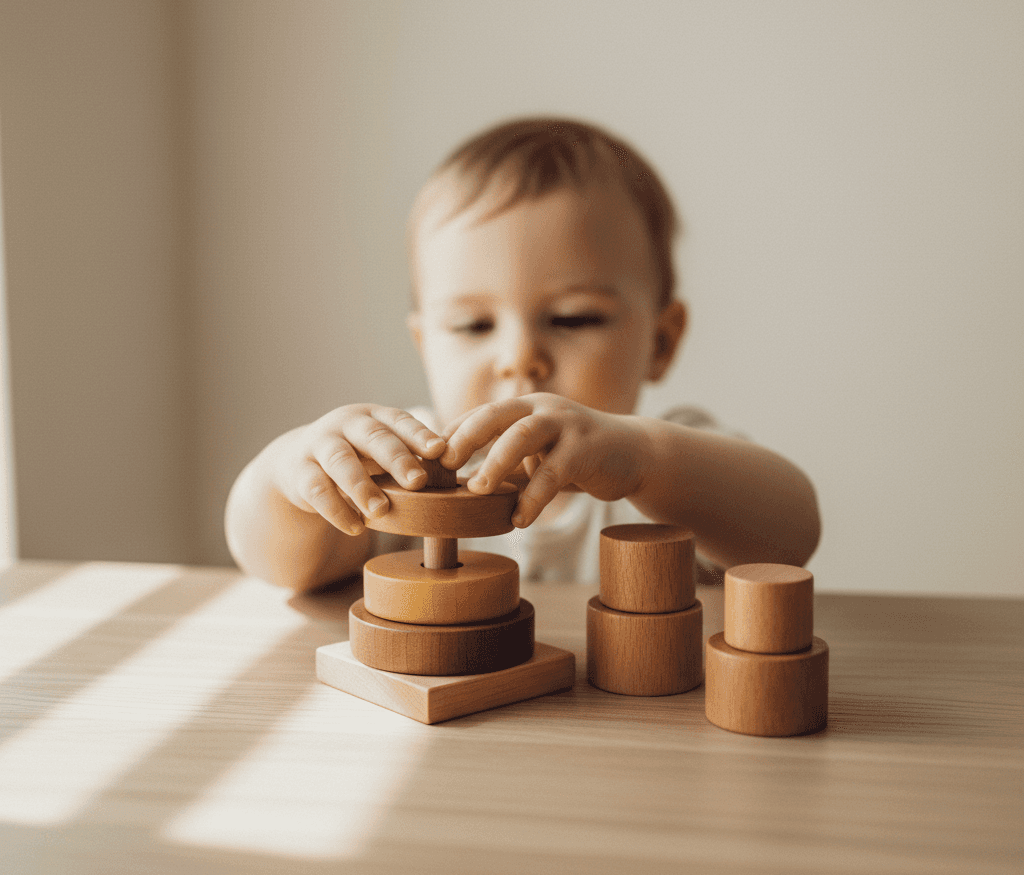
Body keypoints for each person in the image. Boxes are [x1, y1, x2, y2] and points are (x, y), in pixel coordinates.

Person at [225, 117, 820, 592]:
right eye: (472, 324)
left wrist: (645, 457)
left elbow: (792, 533)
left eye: (572, 318)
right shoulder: (405, 468)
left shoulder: (668, 466)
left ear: (660, 343)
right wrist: (288, 475)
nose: (520, 358)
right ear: (425, 344)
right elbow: (283, 569)